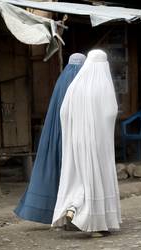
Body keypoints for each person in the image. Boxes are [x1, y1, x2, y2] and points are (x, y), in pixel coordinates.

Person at [52, 49, 121, 237]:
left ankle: (73, 209)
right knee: (96, 178)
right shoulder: (102, 85)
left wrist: (74, 132)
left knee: (79, 178)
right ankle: (96, 224)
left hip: (76, 142)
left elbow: (63, 112)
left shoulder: (76, 85)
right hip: (98, 143)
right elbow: (110, 112)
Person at [14, 53, 86, 224]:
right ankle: (74, 214)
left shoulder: (62, 80)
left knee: (61, 173)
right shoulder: (81, 81)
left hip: (58, 136)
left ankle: (59, 214)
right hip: (73, 138)